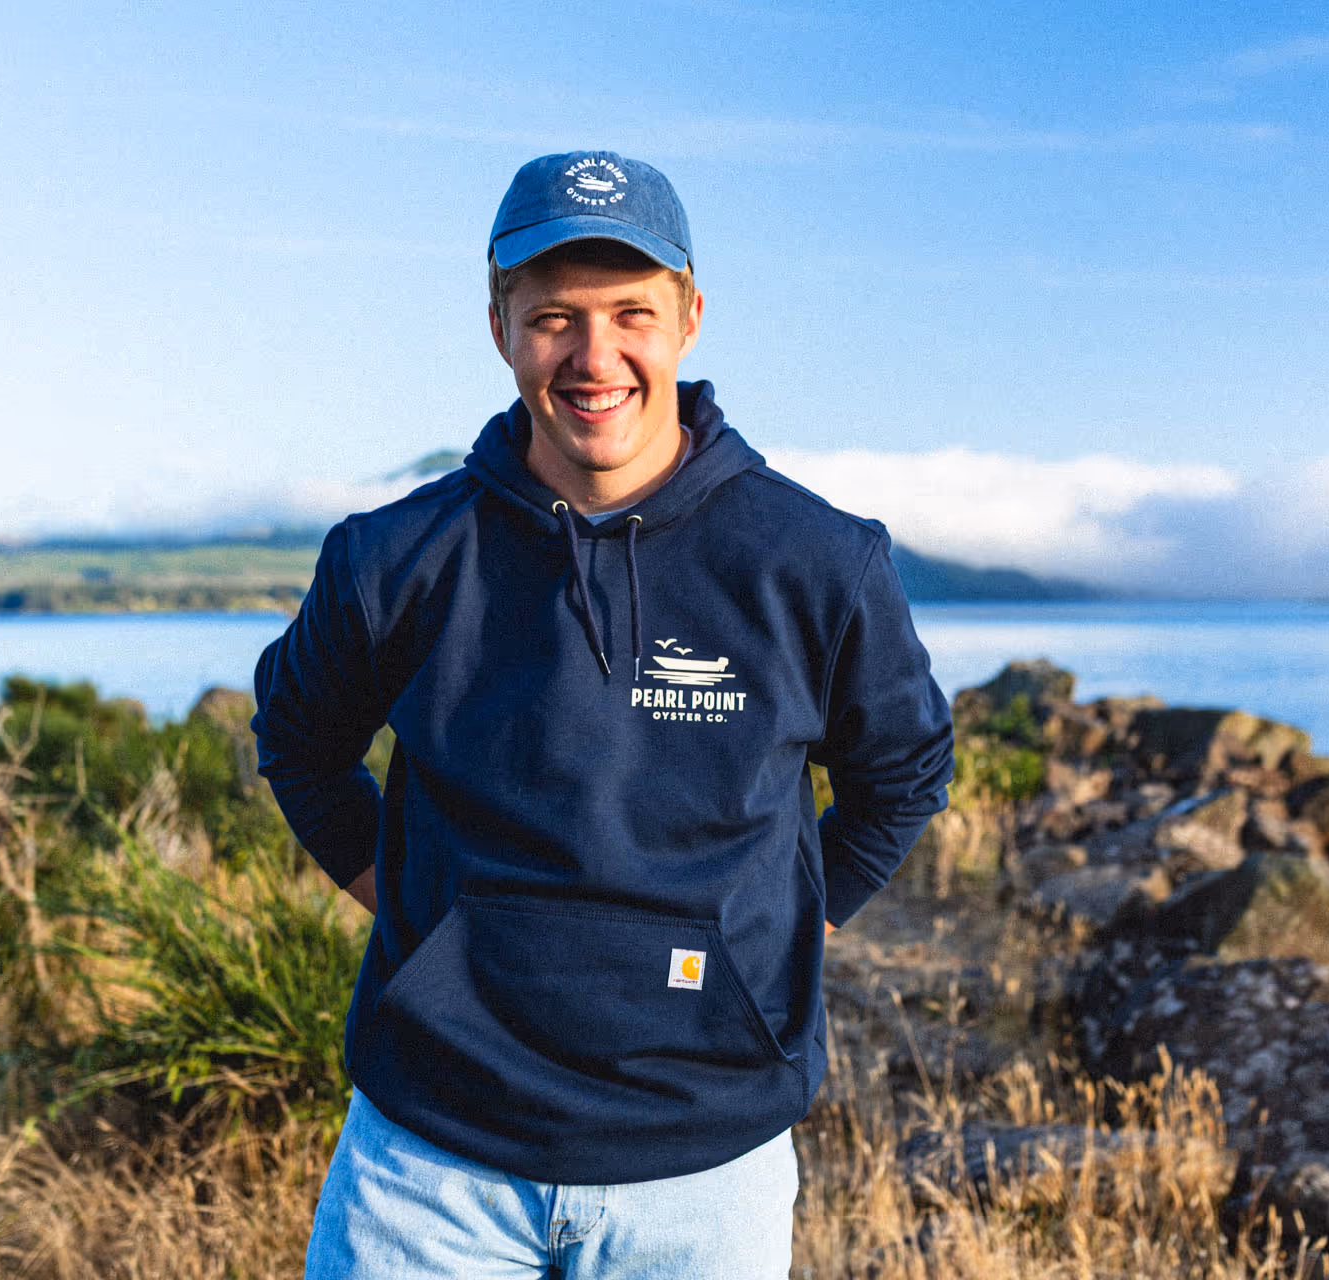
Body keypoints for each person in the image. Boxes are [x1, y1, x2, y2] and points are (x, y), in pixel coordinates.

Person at [252, 149, 955, 1279]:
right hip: (430, 1168)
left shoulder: (816, 560)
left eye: (632, 312)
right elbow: (296, 741)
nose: (594, 357)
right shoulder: (391, 560)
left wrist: (787, 923)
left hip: (703, 1173)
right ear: (498, 325)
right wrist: (421, 919)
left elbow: (907, 769)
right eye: (553, 318)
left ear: (689, 316)